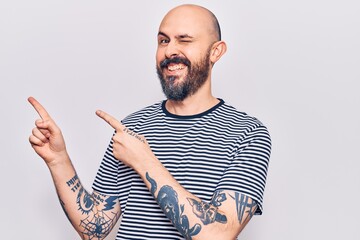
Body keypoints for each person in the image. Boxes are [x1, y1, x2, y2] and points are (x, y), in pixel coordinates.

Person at [28, 4, 271, 240]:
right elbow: (95, 229)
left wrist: (143, 161)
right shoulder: (131, 127)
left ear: (216, 51)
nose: (169, 51)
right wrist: (58, 160)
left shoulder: (248, 134)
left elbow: (219, 234)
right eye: (163, 41)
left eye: (184, 40)